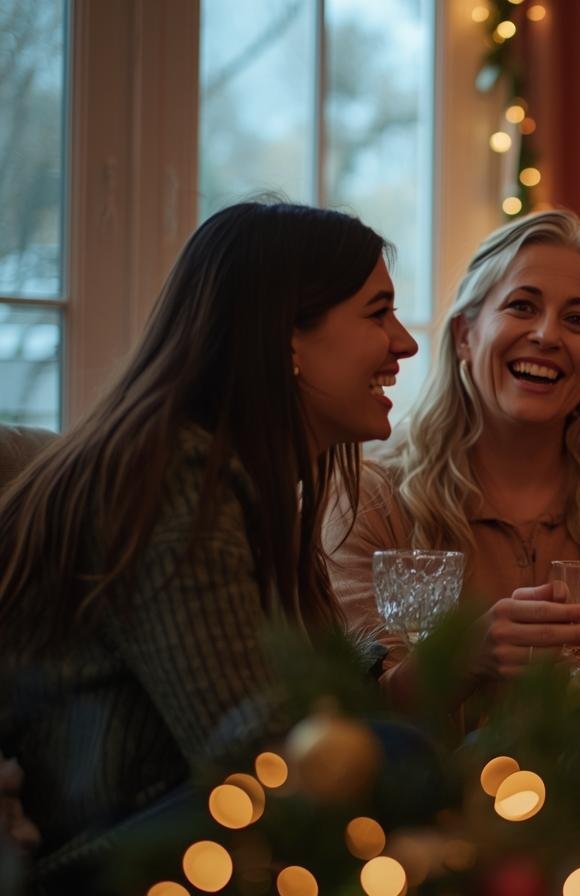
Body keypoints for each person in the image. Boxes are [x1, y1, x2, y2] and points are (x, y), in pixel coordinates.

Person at [0, 201, 419, 890]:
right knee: (401, 759)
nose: (404, 343)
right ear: (285, 336)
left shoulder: (250, 482)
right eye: (378, 314)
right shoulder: (171, 474)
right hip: (102, 862)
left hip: (180, 828)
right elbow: (252, 748)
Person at [328, 209, 580, 716]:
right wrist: (462, 658)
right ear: (465, 334)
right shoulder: (370, 493)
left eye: (577, 320)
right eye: (522, 306)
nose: (547, 335)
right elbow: (356, 706)